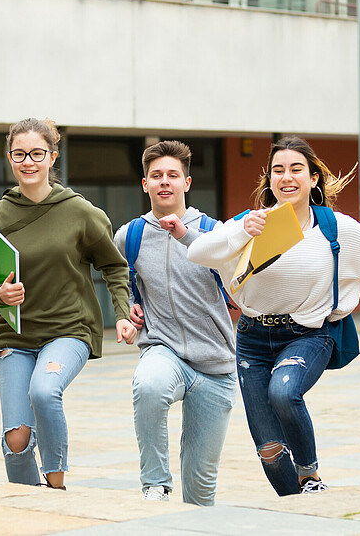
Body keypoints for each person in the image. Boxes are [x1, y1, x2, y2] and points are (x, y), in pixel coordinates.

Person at [187, 136, 360, 495]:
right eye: (278, 170)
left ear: (313, 178)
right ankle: (300, 505)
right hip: (253, 339)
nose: (286, 177)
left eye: (296, 169)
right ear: (270, 179)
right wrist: (242, 230)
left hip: (308, 333)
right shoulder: (251, 222)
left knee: (284, 392)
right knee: (269, 450)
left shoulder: (334, 227)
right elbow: (198, 252)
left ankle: (310, 475)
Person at [0, 117, 136, 490]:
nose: (28, 161)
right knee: (16, 440)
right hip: (16, 337)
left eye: (37, 153)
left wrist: (122, 314)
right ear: (9, 158)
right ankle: (27, 505)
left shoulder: (80, 212)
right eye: (19, 154)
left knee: (44, 390)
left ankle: (55, 487)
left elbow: (114, 266)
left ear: (52, 156)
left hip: (69, 330)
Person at [113, 140, 236, 505]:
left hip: (216, 364)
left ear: (187, 182)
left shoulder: (216, 232)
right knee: (148, 386)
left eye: (172, 175)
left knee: (200, 492)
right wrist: (127, 307)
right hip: (163, 348)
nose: (164, 182)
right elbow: (116, 276)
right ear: (145, 184)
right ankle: (155, 482)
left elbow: (239, 279)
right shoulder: (130, 235)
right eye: (156, 176)